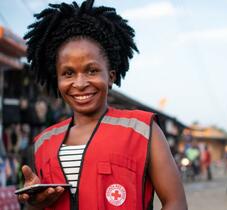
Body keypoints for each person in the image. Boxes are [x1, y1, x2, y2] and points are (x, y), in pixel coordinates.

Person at [17, 0, 187, 209]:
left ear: (111, 76)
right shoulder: (43, 142)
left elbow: (175, 202)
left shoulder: (143, 130)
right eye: (68, 73)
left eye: (92, 70)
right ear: (58, 80)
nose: (80, 83)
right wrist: (35, 203)